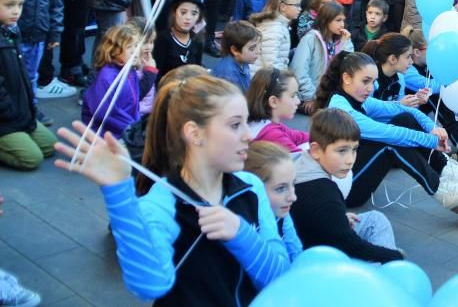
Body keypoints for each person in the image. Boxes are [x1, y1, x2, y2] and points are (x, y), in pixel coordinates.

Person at [53, 75, 291, 304]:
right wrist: (118, 191)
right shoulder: (160, 205)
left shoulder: (251, 186)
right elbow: (150, 285)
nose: (248, 135)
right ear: (194, 133)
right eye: (235, 125)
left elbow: (281, 278)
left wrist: (241, 234)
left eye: (245, 122)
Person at [315, 52, 458, 210]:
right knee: (392, 144)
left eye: (374, 81)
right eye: (365, 81)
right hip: (345, 192)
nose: (372, 88)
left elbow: (405, 110)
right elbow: (391, 133)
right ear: (346, 78)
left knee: (404, 119)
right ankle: (441, 191)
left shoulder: (358, 99)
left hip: (356, 174)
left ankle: (446, 170)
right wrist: (432, 141)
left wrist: (434, 128)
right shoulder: (341, 109)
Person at [291, 108, 403, 262]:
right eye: (342, 151)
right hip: (317, 262)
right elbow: (353, 247)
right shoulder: (324, 193)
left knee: (375, 219)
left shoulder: (299, 162)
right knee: (381, 263)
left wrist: (339, 219)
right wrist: (394, 257)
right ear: (316, 150)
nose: (350, 159)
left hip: (315, 239)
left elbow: (319, 218)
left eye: (354, 149)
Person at [0, 0, 57, 170]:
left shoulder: (11, 31)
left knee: (50, 146)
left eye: (20, 5)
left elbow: (22, 77)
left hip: (19, 112)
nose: (16, 11)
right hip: (5, 118)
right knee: (32, 159)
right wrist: (13, 115)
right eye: (9, 5)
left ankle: (20, 134)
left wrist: (27, 111)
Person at [10, 0, 65, 116]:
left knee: (32, 76)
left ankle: (31, 109)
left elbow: (56, 7)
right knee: (12, 75)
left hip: (38, 36)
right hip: (14, 35)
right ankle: (12, 109)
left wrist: (55, 33)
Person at [81, 24, 151, 138]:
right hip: (106, 135)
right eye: (129, 46)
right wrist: (132, 127)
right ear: (114, 50)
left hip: (125, 128)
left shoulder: (129, 70)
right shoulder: (107, 78)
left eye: (137, 45)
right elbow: (105, 113)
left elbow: (134, 103)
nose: (135, 51)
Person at [242, 142, 302, 262]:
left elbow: (297, 256)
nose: (293, 197)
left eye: (293, 184)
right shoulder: (244, 232)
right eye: (280, 188)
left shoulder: (281, 213)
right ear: (255, 189)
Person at [292, 0, 352, 114]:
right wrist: (310, 97)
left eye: (343, 20)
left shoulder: (340, 40)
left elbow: (349, 66)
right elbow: (299, 70)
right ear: (326, 20)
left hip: (331, 98)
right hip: (312, 96)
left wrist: (346, 43)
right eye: (338, 20)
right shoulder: (310, 39)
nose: (342, 25)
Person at [246, 68, 308, 152]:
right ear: (274, 101)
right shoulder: (272, 135)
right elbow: (301, 161)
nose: (298, 101)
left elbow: (297, 136)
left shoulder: (268, 125)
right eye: (293, 96)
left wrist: (323, 137)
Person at [153, 0, 205, 79]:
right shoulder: (164, 38)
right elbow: (157, 73)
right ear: (174, 13)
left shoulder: (197, 41)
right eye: (183, 12)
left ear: (199, 18)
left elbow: (197, 70)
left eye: (194, 13)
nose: (188, 17)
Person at [250, 0, 300, 75]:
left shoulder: (280, 25)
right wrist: (281, 82)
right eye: (297, 5)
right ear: (283, 7)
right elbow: (271, 63)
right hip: (263, 82)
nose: (300, 9)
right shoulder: (274, 28)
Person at [211, 21, 261, 92]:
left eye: (259, 47)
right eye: (252, 48)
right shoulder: (228, 75)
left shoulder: (243, 61)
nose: (258, 52)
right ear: (235, 50)